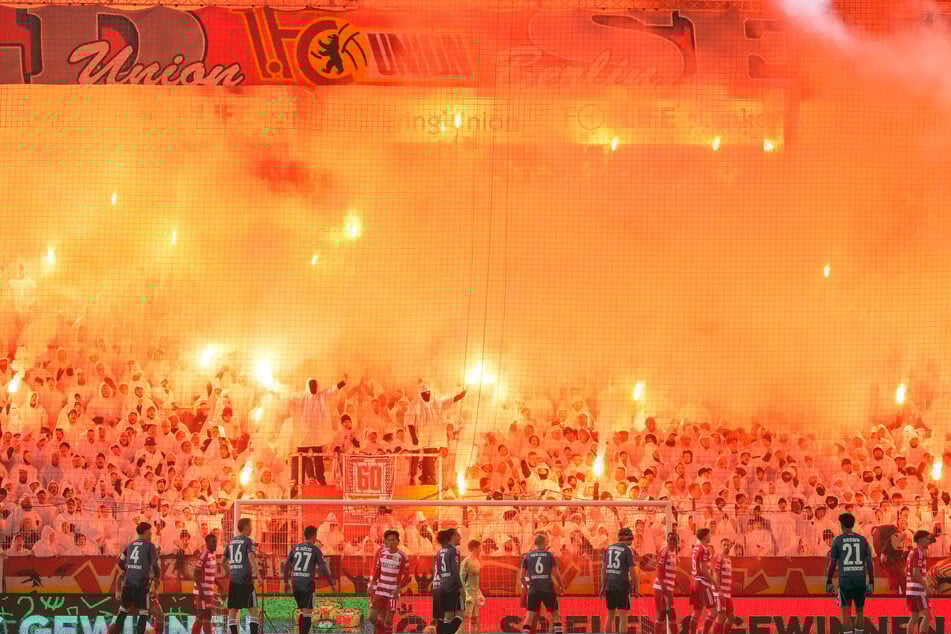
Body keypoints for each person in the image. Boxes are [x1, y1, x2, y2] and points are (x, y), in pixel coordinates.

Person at [108, 522, 162, 634]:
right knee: (143, 613)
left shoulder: (130, 545)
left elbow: (120, 563)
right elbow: (155, 565)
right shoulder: (149, 546)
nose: (151, 532)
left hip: (128, 584)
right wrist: (157, 575)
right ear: (145, 532)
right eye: (150, 531)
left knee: (122, 612)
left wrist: (129, 569)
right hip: (142, 585)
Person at [826, 512, 874, 634]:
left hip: (845, 580)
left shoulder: (837, 540)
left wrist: (829, 581)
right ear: (853, 524)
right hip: (860, 580)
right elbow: (869, 563)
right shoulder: (862, 540)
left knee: (845, 613)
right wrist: (871, 582)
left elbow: (832, 564)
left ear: (841, 525)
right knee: (860, 611)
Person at [284, 525, 338, 634]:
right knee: (307, 613)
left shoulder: (295, 548)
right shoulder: (315, 549)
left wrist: (286, 582)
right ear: (314, 536)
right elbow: (323, 569)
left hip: (295, 584)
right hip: (307, 584)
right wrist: (332, 584)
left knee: (302, 611)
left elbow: (286, 565)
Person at [366, 529, 409, 634]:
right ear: (386, 541)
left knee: (389, 620)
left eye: (393, 540)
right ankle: (385, 631)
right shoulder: (382, 553)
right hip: (380, 591)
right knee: (371, 617)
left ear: (398, 541)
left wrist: (398, 588)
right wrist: (371, 584)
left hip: (393, 593)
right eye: (389, 540)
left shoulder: (403, 556)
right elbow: (377, 571)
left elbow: (407, 577)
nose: (391, 542)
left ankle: (386, 630)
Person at [519, 533, 564, 634]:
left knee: (529, 616)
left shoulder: (527, 556)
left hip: (533, 589)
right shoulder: (549, 555)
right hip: (547, 588)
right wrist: (562, 586)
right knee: (555, 615)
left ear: (535, 543)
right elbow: (556, 574)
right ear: (545, 542)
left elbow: (521, 577)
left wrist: (527, 588)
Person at [225, 518, 260, 634]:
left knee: (233, 611)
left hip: (233, 580)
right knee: (253, 610)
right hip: (246, 580)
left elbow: (221, 561)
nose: (252, 528)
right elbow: (251, 557)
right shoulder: (248, 541)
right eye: (250, 526)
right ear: (245, 527)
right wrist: (258, 575)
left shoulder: (231, 542)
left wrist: (230, 572)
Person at [600, 527, 637, 634]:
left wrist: (603, 586)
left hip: (610, 585)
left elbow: (603, 569)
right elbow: (632, 571)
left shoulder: (608, 548)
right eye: (630, 537)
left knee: (610, 616)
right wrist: (635, 587)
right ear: (625, 537)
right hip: (622, 586)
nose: (631, 540)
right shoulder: (627, 550)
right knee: (623, 617)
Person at [435, 528, 465, 634]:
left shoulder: (440, 551)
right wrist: (461, 587)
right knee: (461, 614)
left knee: (446, 616)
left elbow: (438, 570)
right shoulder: (454, 550)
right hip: (452, 586)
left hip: (441, 586)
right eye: (458, 535)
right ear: (452, 537)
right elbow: (454, 570)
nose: (460, 537)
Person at [690, 528, 718, 634]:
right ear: (705, 536)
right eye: (709, 534)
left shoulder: (695, 548)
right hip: (702, 583)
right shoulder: (704, 549)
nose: (710, 536)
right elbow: (703, 570)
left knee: (697, 612)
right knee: (714, 612)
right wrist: (714, 583)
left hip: (695, 582)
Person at [905, 530, 931, 634]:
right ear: (920, 540)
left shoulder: (911, 552)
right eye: (927, 539)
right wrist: (926, 587)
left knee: (914, 617)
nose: (929, 541)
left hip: (910, 590)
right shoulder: (919, 553)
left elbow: (906, 571)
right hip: (918, 590)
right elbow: (916, 573)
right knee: (928, 616)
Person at [653, 532, 679, 634]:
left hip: (667, 588)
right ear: (667, 541)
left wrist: (675, 583)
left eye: (674, 541)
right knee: (670, 614)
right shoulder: (665, 551)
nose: (672, 544)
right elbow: (658, 569)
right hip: (662, 588)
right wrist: (664, 586)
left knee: (663, 615)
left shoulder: (673, 553)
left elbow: (669, 571)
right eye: (670, 541)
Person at [192, 534, 218, 634]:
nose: (215, 544)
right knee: (206, 616)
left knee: (201, 616)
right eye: (213, 542)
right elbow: (195, 574)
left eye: (216, 541)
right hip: (202, 592)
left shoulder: (213, 554)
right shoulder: (204, 554)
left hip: (208, 592)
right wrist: (201, 591)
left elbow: (209, 572)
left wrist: (218, 584)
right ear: (207, 543)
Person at [460, 539, 484, 633]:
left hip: (476, 594)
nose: (481, 550)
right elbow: (461, 578)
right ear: (474, 548)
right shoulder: (466, 561)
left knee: (474, 619)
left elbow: (476, 581)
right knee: (465, 618)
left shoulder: (477, 562)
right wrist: (466, 594)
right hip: (468, 593)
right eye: (479, 548)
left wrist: (480, 593)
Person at [711, 539, 734, 634]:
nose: (726, 547)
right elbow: (716, 573)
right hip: (721, 592)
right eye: (724, 545)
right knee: (722, 617)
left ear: (731, 546)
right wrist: (719, 590)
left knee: (731, 617)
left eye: (728, 545)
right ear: (720, 546)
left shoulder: (728, 559)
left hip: (727, 592)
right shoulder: (719, 557)